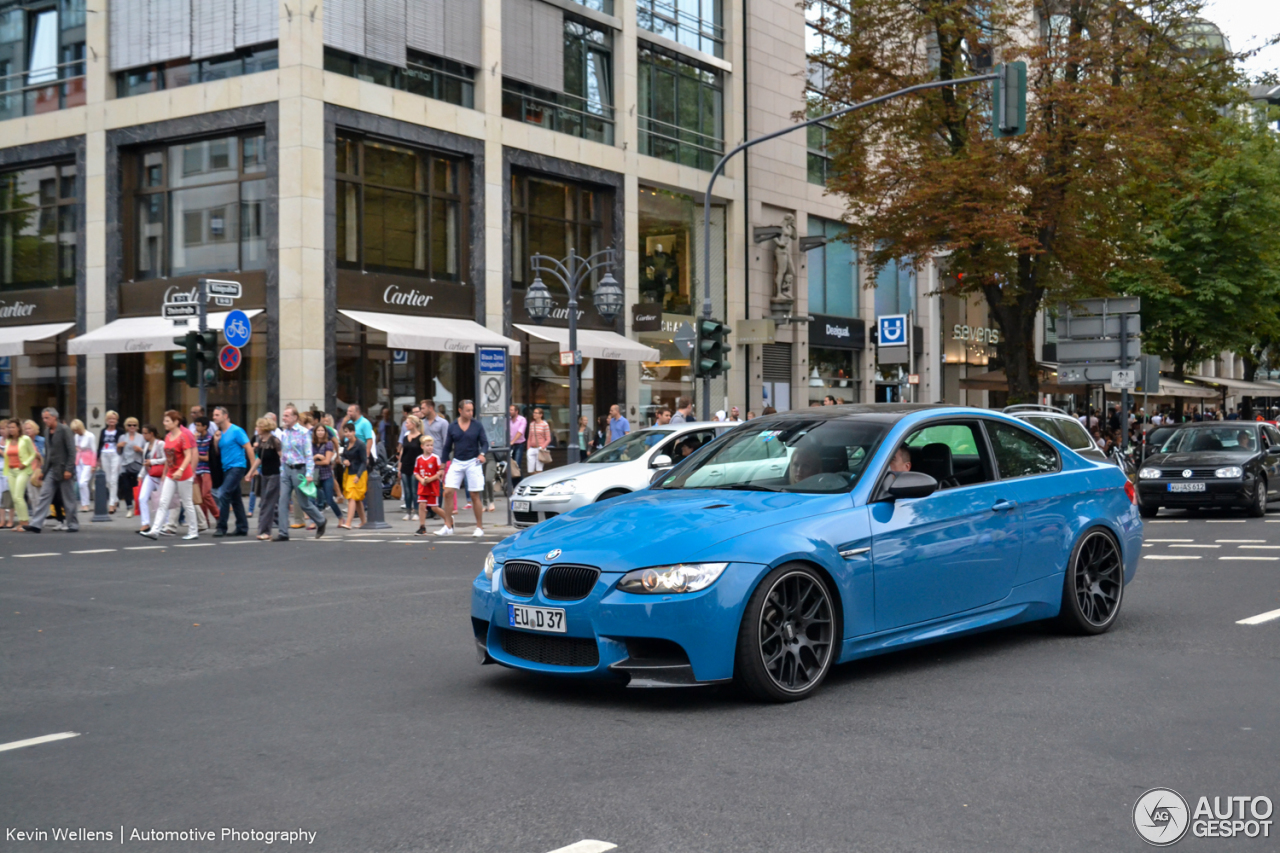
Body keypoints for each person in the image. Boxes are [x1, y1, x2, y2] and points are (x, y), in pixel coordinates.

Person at [139, 411, 198, 540]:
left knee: (187, 503)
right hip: (171, 474)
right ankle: (155, 530)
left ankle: (193, 531)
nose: (164, 423)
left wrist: (181, 470)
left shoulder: (183, 437)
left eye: (167, 421)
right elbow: (168, 458)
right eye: (164, 420)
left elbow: (188, 455)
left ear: (176, 422)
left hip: (183, 474)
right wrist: (165, 473)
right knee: (163, 502)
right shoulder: (167, 437)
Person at [437, 399, 490, 537]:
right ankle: (448, 526)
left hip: (473, 461)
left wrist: (482, 454)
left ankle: (479, 527)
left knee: (474, 494)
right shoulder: (453, 426)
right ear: (460, 410)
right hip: (457, 461)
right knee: (448, 492)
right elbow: (447, 447)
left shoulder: (477, 425)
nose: (471, 413)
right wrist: (442, 467)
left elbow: (485, 443)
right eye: (468, 410)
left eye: (472, 410)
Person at [275, 404, 326, 541]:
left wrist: (309, 473)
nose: (283, 418)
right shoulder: (284, 433)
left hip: (299, 470)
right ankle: (283, 533)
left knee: (303, 503)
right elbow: (284, 454)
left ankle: (320, 520)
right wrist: (282, 470)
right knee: (283, 500)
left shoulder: (304, 433)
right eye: (283, 415)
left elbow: (309, 455)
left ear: (295, 417)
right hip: (286, 469)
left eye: (286, 415)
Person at [22, 408, 78, 534]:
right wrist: (43, 471)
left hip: (64, 469)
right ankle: (36, 524)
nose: (44, 420)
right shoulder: (47, 432)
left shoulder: (64, 430)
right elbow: (48, 454)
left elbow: (71, 451)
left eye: (47, 418)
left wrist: (69, 469)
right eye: (43, 418)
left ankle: (73, 523)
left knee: (68, 498)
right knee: (44, 495)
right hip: (52, 469)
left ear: (54, 417)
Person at [211, 407, 253, 537]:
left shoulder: (236, 431)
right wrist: (215, 442)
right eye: (213, 415)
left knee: (223, 493)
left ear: (225, 416)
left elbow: (248, 447)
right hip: (226, 468)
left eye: (217, 415)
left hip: (237, 467)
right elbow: (218, 453)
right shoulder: (219, 433)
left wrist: (252, 469)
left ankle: (221, 527)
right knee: (235, 499)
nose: (214, 417)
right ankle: (242, 527)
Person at [245, 418, 282, 540]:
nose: (256, 429)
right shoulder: (261, 441)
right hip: (264, 475)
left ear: (264, 428)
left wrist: (284, 473)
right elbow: (259, 459)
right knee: (266, 502)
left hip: (274, 475)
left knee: (268, 503)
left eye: (258, 426)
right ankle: (276, 526)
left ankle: (265, 531)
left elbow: (282, 457)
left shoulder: (274, 441)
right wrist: (250, 472)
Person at [3, 419, 36, 529]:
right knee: (14, 497)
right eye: (9, 427)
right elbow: (7, 457)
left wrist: (25, 463)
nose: (11, 429)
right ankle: (21, 522)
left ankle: (25, 522)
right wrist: (7, 473)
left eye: (13, 427)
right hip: (11, 471)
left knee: (18, 497)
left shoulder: (25, 439)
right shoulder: (8, 440)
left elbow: (33, 453)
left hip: (22, 470)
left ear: (18, 428)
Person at [191, 417, 221, 530]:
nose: (197, 428)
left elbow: (209, 457)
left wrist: (197, 456)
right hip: (197, 469)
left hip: (207, 470)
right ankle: (205, 521)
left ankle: (219, 516)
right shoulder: (196, 438)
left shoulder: (210, 439)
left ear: (205, 426)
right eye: (196, 425)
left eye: (199, 425)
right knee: (199, 497)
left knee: (206, 494)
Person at [337, 421, 367, 530]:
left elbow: (364, 462)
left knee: (351, 497)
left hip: (359, 473)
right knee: (357, 499)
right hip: (349, 473)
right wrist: (344, 461)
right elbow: (343, 456)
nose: (348, 434)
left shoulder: (360, 444)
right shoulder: (346, 444)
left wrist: (358, 475)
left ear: (354, 432)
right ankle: (363, 521)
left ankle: (348, 523)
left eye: (350, 431)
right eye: (345, 432)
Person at [311, 422, 342, 522]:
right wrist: (317, 457)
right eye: (318, 431)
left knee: (329, 499)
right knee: (311, 499)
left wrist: (314, 461)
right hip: (314, 476)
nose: (320, 433)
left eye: (322, 431)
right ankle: (314, 521)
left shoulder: (328, 444)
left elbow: (327, 461)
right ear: (315, 432)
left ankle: (340, 518)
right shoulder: (311, 444)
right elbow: (308, 459)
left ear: (325, 432)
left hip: (326, 475)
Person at [413, 435, 443, 535]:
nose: (430, 447)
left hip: (433, 486)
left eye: (431, 445)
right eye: (427, 445)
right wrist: (421, 480)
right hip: (423, 486)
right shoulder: (418, 459)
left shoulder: (435, 458)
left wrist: (430, 479)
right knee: (422, 505)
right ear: (422, 446)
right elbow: (416, 472)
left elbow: (439, 473)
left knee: (434, 507)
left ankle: (448, 519)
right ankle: (422, 527)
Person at [117, 417, 145, 518]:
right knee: (126, 487)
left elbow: (146, 452)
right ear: (126, 427)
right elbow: (119, 453)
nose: (132, 427)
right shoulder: (122, 437)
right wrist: (118, 446)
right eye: (129, 425)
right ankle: (129, 507)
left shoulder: (142, 437)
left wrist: (140, 449)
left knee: (138, 487)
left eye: (134, 425)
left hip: (137, 465)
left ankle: (138, 507)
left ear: (137, 427)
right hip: (125, 465)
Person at [96, 411, 122, 513]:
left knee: (113, 479)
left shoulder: (120, 431)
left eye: (114, 419)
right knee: (107, 480)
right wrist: (97, 458)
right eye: (110, 419)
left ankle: (111, 504)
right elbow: (100, 444)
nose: (112, 421)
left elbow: (122, 445)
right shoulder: (103, 431)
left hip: (115, 455)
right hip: (104, 454)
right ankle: (115, 499)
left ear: (117, 420)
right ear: (106, 420)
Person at [399, 415, 423, 520]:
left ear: (413, 424)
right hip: (405, 465)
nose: (406, 424)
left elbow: (422, 453)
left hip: (415, 467)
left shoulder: (420, 437)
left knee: (414, 490)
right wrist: (399, 467)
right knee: (407, 491)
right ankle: (408, 511)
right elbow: (402, 452)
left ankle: (416, 511)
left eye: (407, 423)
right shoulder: (405, 437)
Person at [71, 419, 96, 511]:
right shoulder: (76, 436)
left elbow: (94, 450)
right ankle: (83, 503)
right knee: (80, 483)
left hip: (88, 461)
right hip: (79, 461)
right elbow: (76, 448)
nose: (76, 432)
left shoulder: (90, 436)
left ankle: (86, 503)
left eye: (77, 429)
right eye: (74, 430)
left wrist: (93, 465)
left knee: (83, 482)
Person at [526, 407, 552, 475]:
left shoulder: (545, 424)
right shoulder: (532, 424)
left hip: (540, 448)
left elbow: (548, 439)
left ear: (541, 415)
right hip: (531, 448)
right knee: (530, 471)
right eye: (534, 412)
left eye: (536, 413)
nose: (534, 414)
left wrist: (542, 447)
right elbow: (529, 437)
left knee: (539, 470)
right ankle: (537, 480)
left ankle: (538, 483)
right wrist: (528, 448)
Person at [508, 404, 527, 475]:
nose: (509, 411)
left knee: (516, 464)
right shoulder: (508, 420)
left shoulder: (522, 420)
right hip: (509, 445)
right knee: (510, 465)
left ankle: (517, 483)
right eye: (509, 410)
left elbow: (520, 432)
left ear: (516, 411)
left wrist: (512, 441)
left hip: (519, 444)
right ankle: (517, 482)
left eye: (511, 410)